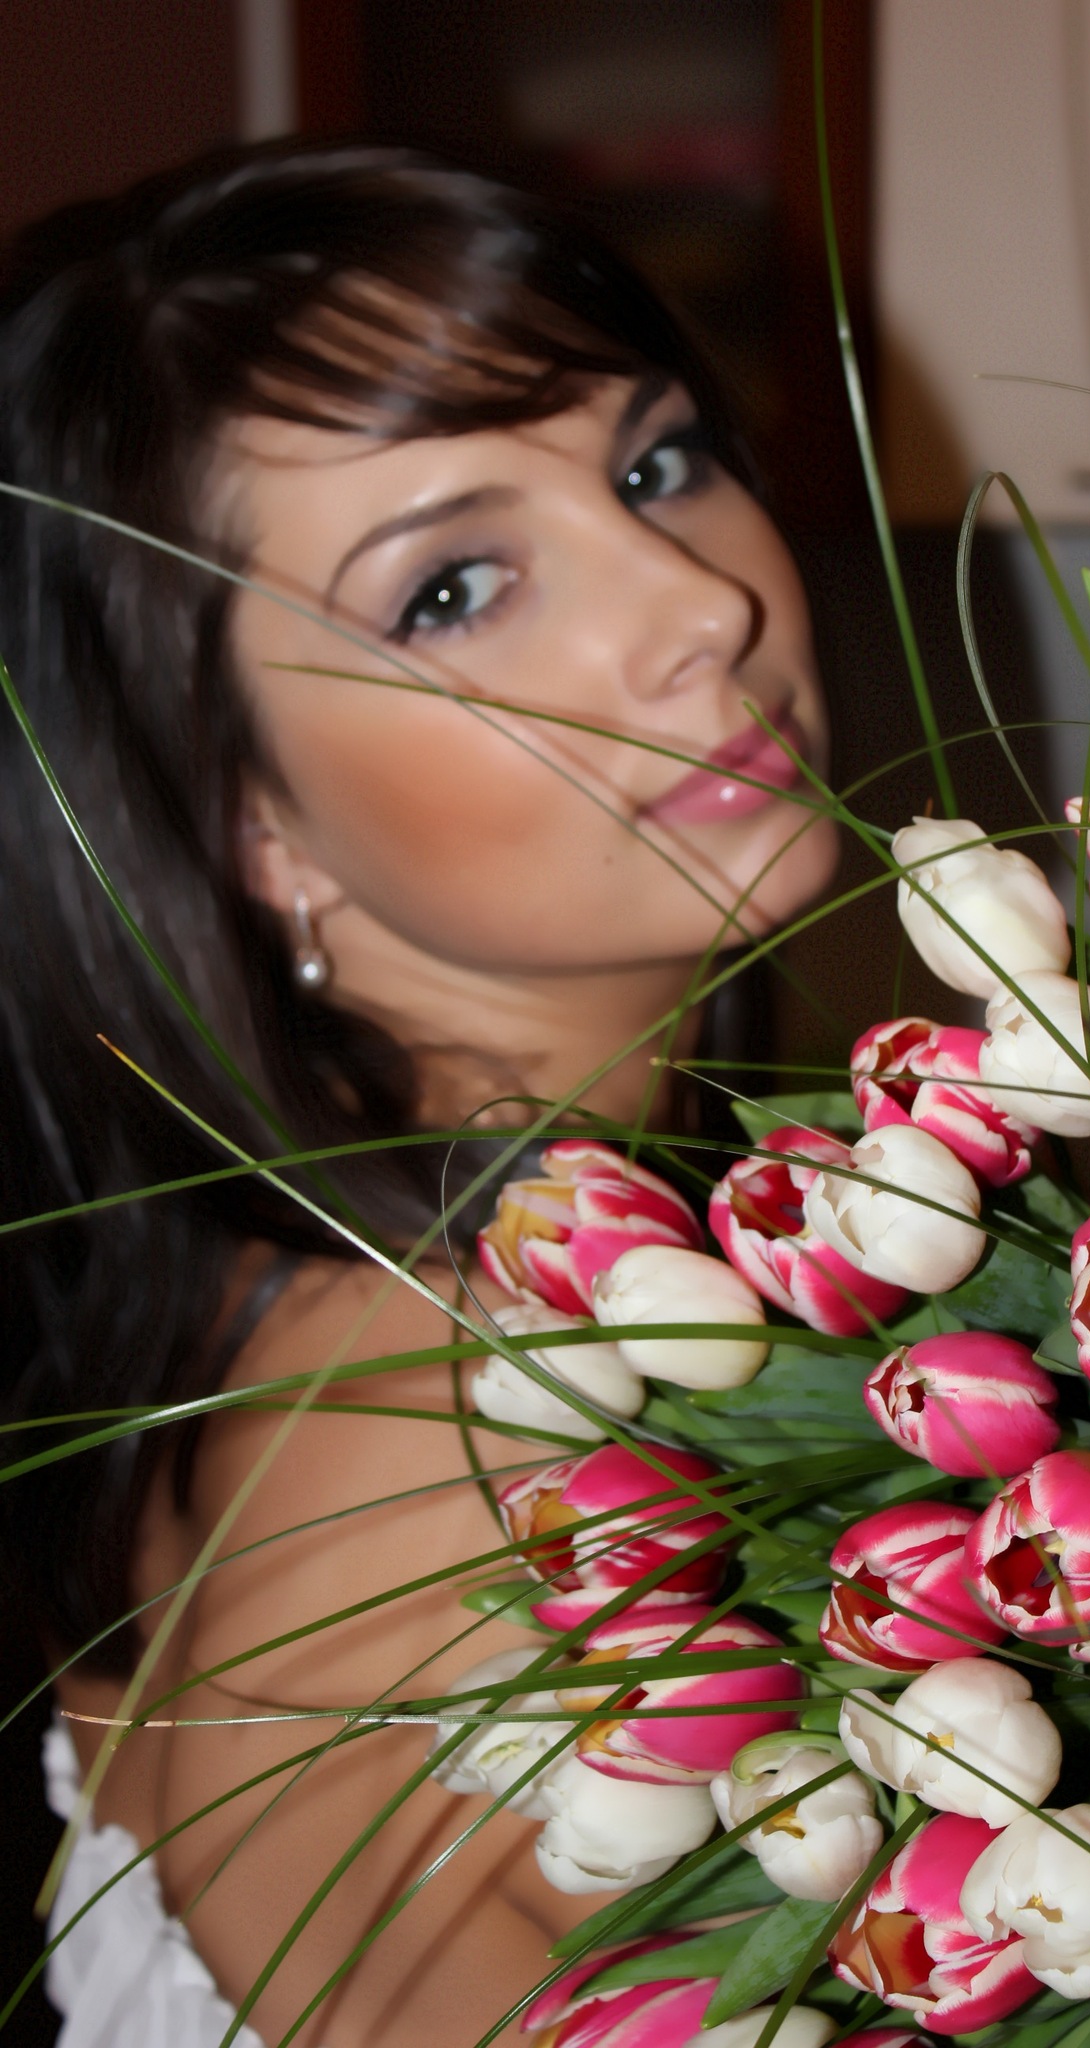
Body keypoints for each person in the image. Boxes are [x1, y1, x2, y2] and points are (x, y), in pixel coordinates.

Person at [0, 142, 839, 2046]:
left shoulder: (335, 1295)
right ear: (248, 822)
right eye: (456, 588)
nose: (694, 603)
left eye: (653, 465)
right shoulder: (459, 1439)